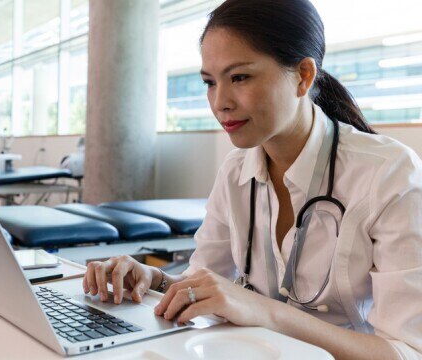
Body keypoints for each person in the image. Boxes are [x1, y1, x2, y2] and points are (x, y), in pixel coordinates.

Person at [83, 0, 422, 358]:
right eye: (209, 83)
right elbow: (203, 281)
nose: (220, 102)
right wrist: (155, 279)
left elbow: (406, 351)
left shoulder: (389, 174)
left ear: (304, 76)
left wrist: (264, 311)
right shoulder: (235, 171)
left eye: (240, 77)